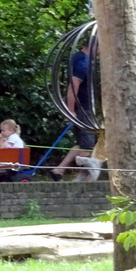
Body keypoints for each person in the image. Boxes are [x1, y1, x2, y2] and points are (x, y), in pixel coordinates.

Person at [50, 43, 101, 182]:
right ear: (94, 45)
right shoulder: (82, 61)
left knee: (84, 142)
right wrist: (71, 110)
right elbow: (74, 85)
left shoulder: (83, 59)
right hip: (82, 108)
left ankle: (59, 169)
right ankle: (85, 180)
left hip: (86, 107)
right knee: (87, 145)